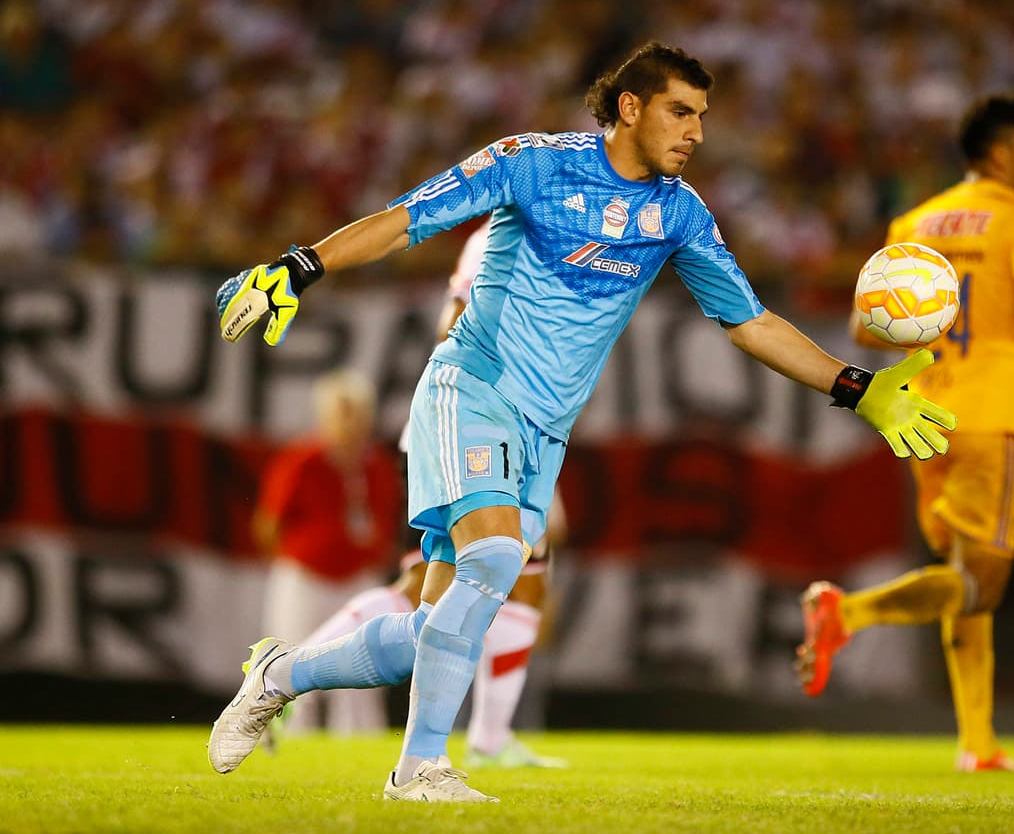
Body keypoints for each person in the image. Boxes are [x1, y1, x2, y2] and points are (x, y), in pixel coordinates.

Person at [208, 41, 956, 803]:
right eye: (680, 111)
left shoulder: (679, 214)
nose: (696, 132)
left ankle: (280, 673)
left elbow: (750, 322)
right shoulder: (531, 163)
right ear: (629, 107)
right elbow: (409, 221)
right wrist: (301, 267)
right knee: (497, 558)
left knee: (432, 630)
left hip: (544, 431)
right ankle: (419, 769)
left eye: (702, 116)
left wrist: (857, 387)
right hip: (474, 386)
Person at [796, 93, 1014, 773]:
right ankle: (849, 612)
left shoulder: (916, 220)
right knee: (979, 586)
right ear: (999, 151)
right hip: (992, 417)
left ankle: (977, 742)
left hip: (924, 421)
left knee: (963, 578)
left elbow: (864, 326)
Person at [284, 221, 568, 767]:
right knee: (428, 587)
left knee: (526, 576)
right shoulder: (505, 235)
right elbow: (455, 323)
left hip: (505, 425)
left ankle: (488, 738)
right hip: (468, 421)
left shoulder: (550, 235)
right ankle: (288, 673)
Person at [253, 369, 402, 735]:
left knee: (362, 664)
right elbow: (268, 525)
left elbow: (388, 520)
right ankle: (288, 741)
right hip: (305, 576)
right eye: (342, 412)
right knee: (291, 658)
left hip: (357, 578)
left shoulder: (378, 466)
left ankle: (360, 741)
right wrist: (299, 560)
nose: (350, 422)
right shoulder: (302, 460)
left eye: (357, 413)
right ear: (325, 416)